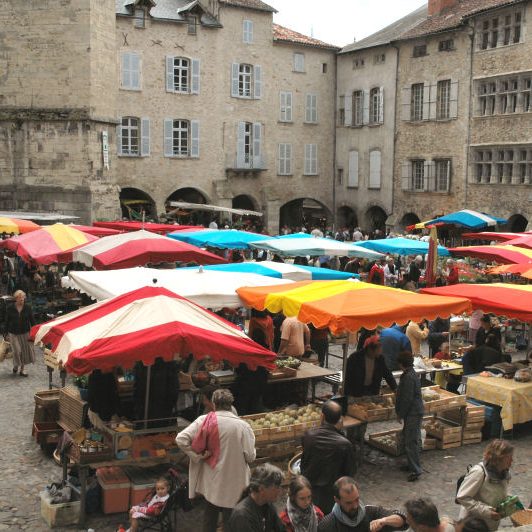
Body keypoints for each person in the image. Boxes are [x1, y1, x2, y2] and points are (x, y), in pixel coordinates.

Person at [175, 389, 256, 532]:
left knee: (209, 517)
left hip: (211, 480)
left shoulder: (204, 420)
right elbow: (250, 457)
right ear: (231, 404)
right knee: (230, 520)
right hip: (235, 482)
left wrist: (197, 456)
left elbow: (180, 439)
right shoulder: (243, 426)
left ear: (213, 403)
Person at [301, 401, 356, 514]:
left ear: (322, 416)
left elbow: (304, 463)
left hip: (310, 491)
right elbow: (350, 472)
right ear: (340, 419)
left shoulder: (308, 436)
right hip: (333, 496)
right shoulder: (345, 444)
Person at [456, 439, 514, 531]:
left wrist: (509, 501)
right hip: (472, 525)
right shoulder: (479, 472)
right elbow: (462, 497)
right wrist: (487, 511)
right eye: (509, 457)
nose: (512, 460)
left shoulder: (504, 472)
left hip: (491, 524)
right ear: (499, 458)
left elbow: (499, 492)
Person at [318, 476, 407, 532]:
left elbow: (403, 520)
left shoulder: (370, 512)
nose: (355, 506)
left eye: (357, 499)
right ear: (337, 500)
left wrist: (383, 521)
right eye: (349, 503)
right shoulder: (327, 526)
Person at [226, 463, 285, 532]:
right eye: (276, 487)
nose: (280, 491)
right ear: (261, 489)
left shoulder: (268, 505)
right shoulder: (242, 515)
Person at [395, 351, 424, 482]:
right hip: (414, 411)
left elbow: (407, 398)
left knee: (411, 441)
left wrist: (400, 414)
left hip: (413, 412)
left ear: (401, 364)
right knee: (412, 439)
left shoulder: (408, 377)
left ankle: (415, 470)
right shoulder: (411, 374)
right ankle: (412, 464)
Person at [3, 289, 35, 377]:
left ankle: (22, 369)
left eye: (23, 298)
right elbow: (7, 321)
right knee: (17, 351)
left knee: (24, 351)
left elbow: (32, 321)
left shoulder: (28, 307)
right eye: (20, 299)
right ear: (16, 298)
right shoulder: (10, 308)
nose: (22, 300)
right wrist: (5, 333)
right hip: (13, 333)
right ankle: (16, 365)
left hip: (25, 332)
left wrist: (34, 331)